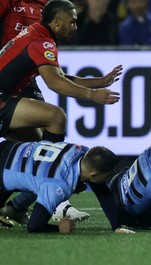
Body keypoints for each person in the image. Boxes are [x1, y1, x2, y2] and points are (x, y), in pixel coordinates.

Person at [0, 0, 119, 224]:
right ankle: (54, 173)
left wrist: (99, 82)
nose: (75, 27)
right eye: (72, 22)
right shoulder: (41, 41)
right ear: (57, 22)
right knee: (56, 117)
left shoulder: (38, 35)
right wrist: (93, 96)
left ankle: (14, 207)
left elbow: (60, 77)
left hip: (5, 98)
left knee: (34, 153)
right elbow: (55, 83)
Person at [0, 140, 134, 234]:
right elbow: (34, 226)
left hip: (7, 147)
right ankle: (12, 208)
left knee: (36, 180)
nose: (107, 179)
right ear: (93, 175)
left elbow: (102, 191)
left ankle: (14, 209)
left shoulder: (81, 152)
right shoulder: (60, 184)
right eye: (107, 175)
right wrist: (59, 228)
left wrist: (116, 226)